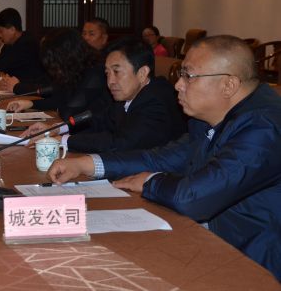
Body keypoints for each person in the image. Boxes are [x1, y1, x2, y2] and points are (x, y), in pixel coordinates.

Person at [47, 35, 281, 280]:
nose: (178, 85)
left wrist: (151, 182)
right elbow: (161, 158)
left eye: (188, 76)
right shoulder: (215, 117)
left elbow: (194, 198)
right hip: (214, 240)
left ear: (228, 85)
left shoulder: (264, 128)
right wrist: (88, 164)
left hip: (255, 263)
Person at [22, 37, 185, 152]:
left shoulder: (156, 100)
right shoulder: (128, 95)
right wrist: (56, 129)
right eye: (107, 73)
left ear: (142, 73)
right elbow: (99, 121)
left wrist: (64, 140)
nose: (110, 81)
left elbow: (120, 143)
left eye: (116, 72)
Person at [7, 28, 111, 121]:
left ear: (67, 56)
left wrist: (61, 106)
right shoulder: (77, 69)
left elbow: (69, 114)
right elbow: (60, 98)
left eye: (56, 63)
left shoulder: (95, 73)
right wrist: (31, 104)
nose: (56, 70)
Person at [0, 8, 46, 85]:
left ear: (12, 30)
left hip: (30, 88)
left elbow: (3, 65)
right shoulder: (10, 42)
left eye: (1, 31)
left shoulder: (27, 44)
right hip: (14, 85)